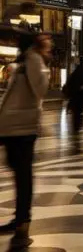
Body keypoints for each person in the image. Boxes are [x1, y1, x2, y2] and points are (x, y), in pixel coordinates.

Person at [0, 32, 50, 244]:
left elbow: (40, 90)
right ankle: (19, 219)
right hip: (12, 127)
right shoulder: (26, 61)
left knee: (23, 176)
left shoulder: (33, 60)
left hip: (22, 128)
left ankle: (23, 223)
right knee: (18, 173)